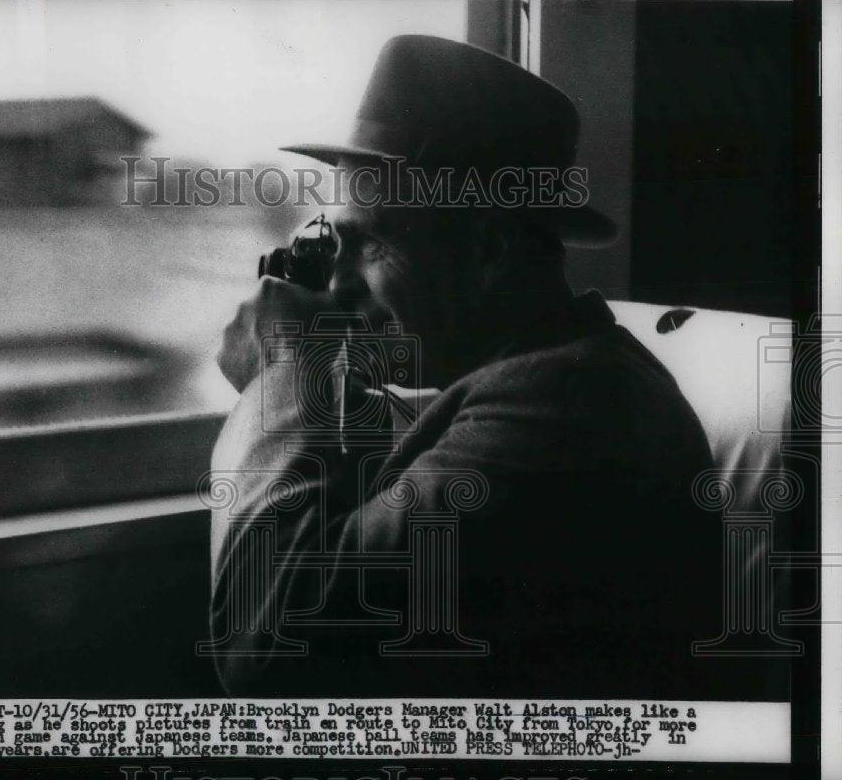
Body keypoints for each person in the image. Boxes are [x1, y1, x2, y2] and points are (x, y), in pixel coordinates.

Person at [207, 35, 731, 698]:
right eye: (332, 241)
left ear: (488, 249)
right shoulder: (540, 382)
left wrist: (281, 372)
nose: (337, 285)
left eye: (369, 242)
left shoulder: (569, 407)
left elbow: (271, 646)